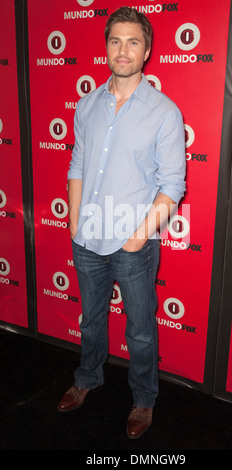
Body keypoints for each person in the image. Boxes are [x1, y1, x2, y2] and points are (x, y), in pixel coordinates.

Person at [57, 6, 186, 439]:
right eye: (116, 41)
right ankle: (87, 378)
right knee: (91, 319)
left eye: (133, 42)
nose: (123, 50)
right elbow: (77, 162)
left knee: (142, 331)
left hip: (133, 245)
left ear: (146, 50)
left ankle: (144, 399)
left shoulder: (164, 112)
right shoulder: (88, 103)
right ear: (106, 47)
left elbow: (173, 185)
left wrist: (137, 238)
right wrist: (74, 221)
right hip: (87, 238)